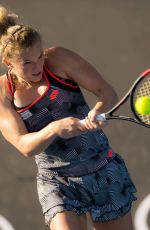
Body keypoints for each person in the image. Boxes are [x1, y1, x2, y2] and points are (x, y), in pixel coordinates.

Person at [0, 5, 137, 230]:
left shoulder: (59, 58)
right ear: (9, 64)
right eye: (27, 63)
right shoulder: (4, 92)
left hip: (103, 169)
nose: (38, 67)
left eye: (39, 56)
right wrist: (54, 128)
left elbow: (107, 93)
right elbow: (24, 146)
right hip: (57, 182)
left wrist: (96, 111)